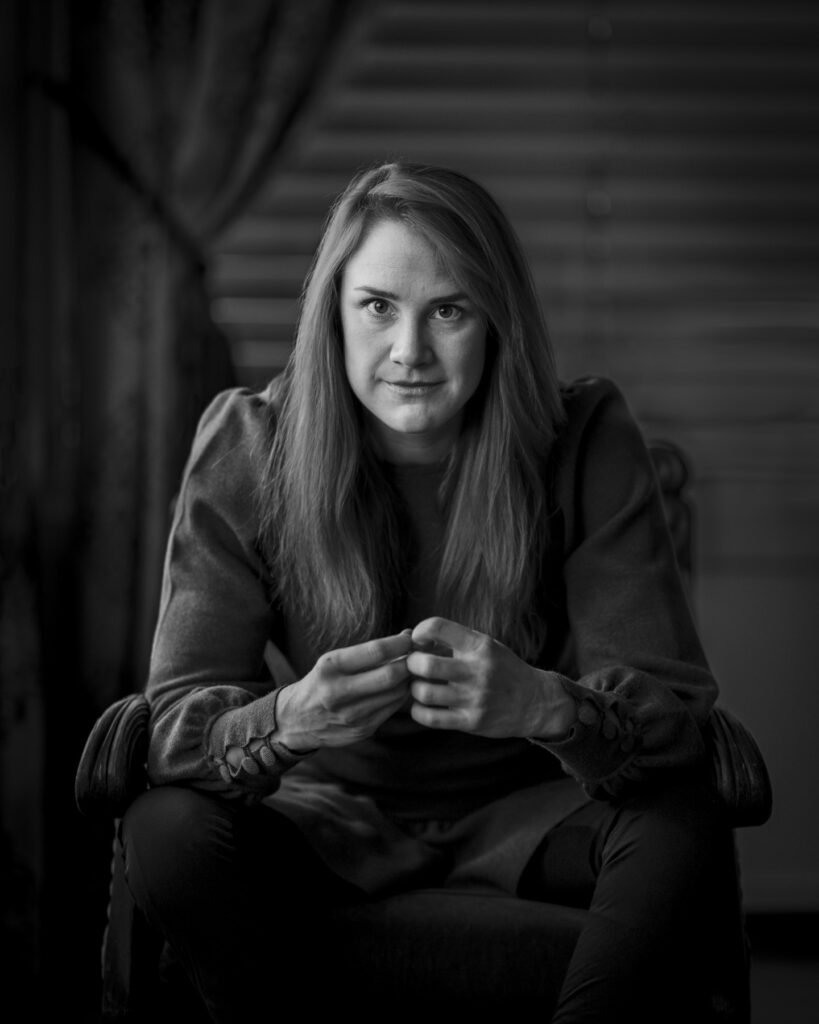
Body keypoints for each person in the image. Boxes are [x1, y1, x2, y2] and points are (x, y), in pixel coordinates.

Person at [121, 161, 739, 1023]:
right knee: (165, 830)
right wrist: (289, 719)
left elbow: (672, 716)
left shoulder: (584, 438)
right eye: (377, 306)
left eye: (448, 310)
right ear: (333, 315)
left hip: (539, 811)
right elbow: (177, 721)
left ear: (496, 323)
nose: (409, 351)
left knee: (683, 819)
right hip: (325, 817)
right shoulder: (249, 445)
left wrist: (543, 707)